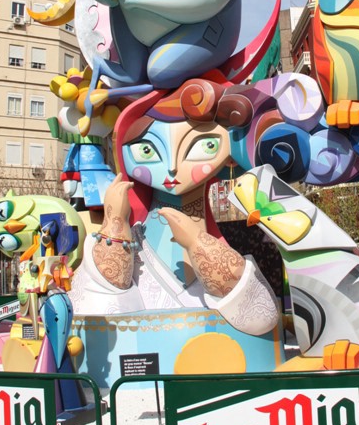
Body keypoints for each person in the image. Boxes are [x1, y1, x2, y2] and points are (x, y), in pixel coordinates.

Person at [69, 77, 280, 336]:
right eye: (146, 149)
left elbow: (261, 319)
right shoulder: (134, 240)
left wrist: (199, 244)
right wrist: (115, 222)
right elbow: (93, 315)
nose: (171, 168)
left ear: (231, 155)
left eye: (206, 145)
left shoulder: (238, 237)